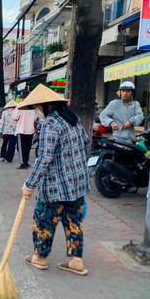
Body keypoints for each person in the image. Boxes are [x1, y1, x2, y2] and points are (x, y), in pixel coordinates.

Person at [18, 84, 90, 276]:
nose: (39, 111)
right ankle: (76, 261)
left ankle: (40, 258)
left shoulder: (51, 123)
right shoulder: (73, 119)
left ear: (46, 105)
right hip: (77, 184)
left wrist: (29, 185)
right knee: (74, 222)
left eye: (39, 107)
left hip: (55, 187)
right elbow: (85, 142)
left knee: (43, 221)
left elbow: (45, 157)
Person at [12, 90, 35, 169]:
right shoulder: (33, 106)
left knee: (20, 148)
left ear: (22, 98)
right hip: (30, 130)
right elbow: (36, 118)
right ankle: (26, 162)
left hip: (21, 130)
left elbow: (14, 117)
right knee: (27, 147)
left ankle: (23, 164)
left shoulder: (19, 106)